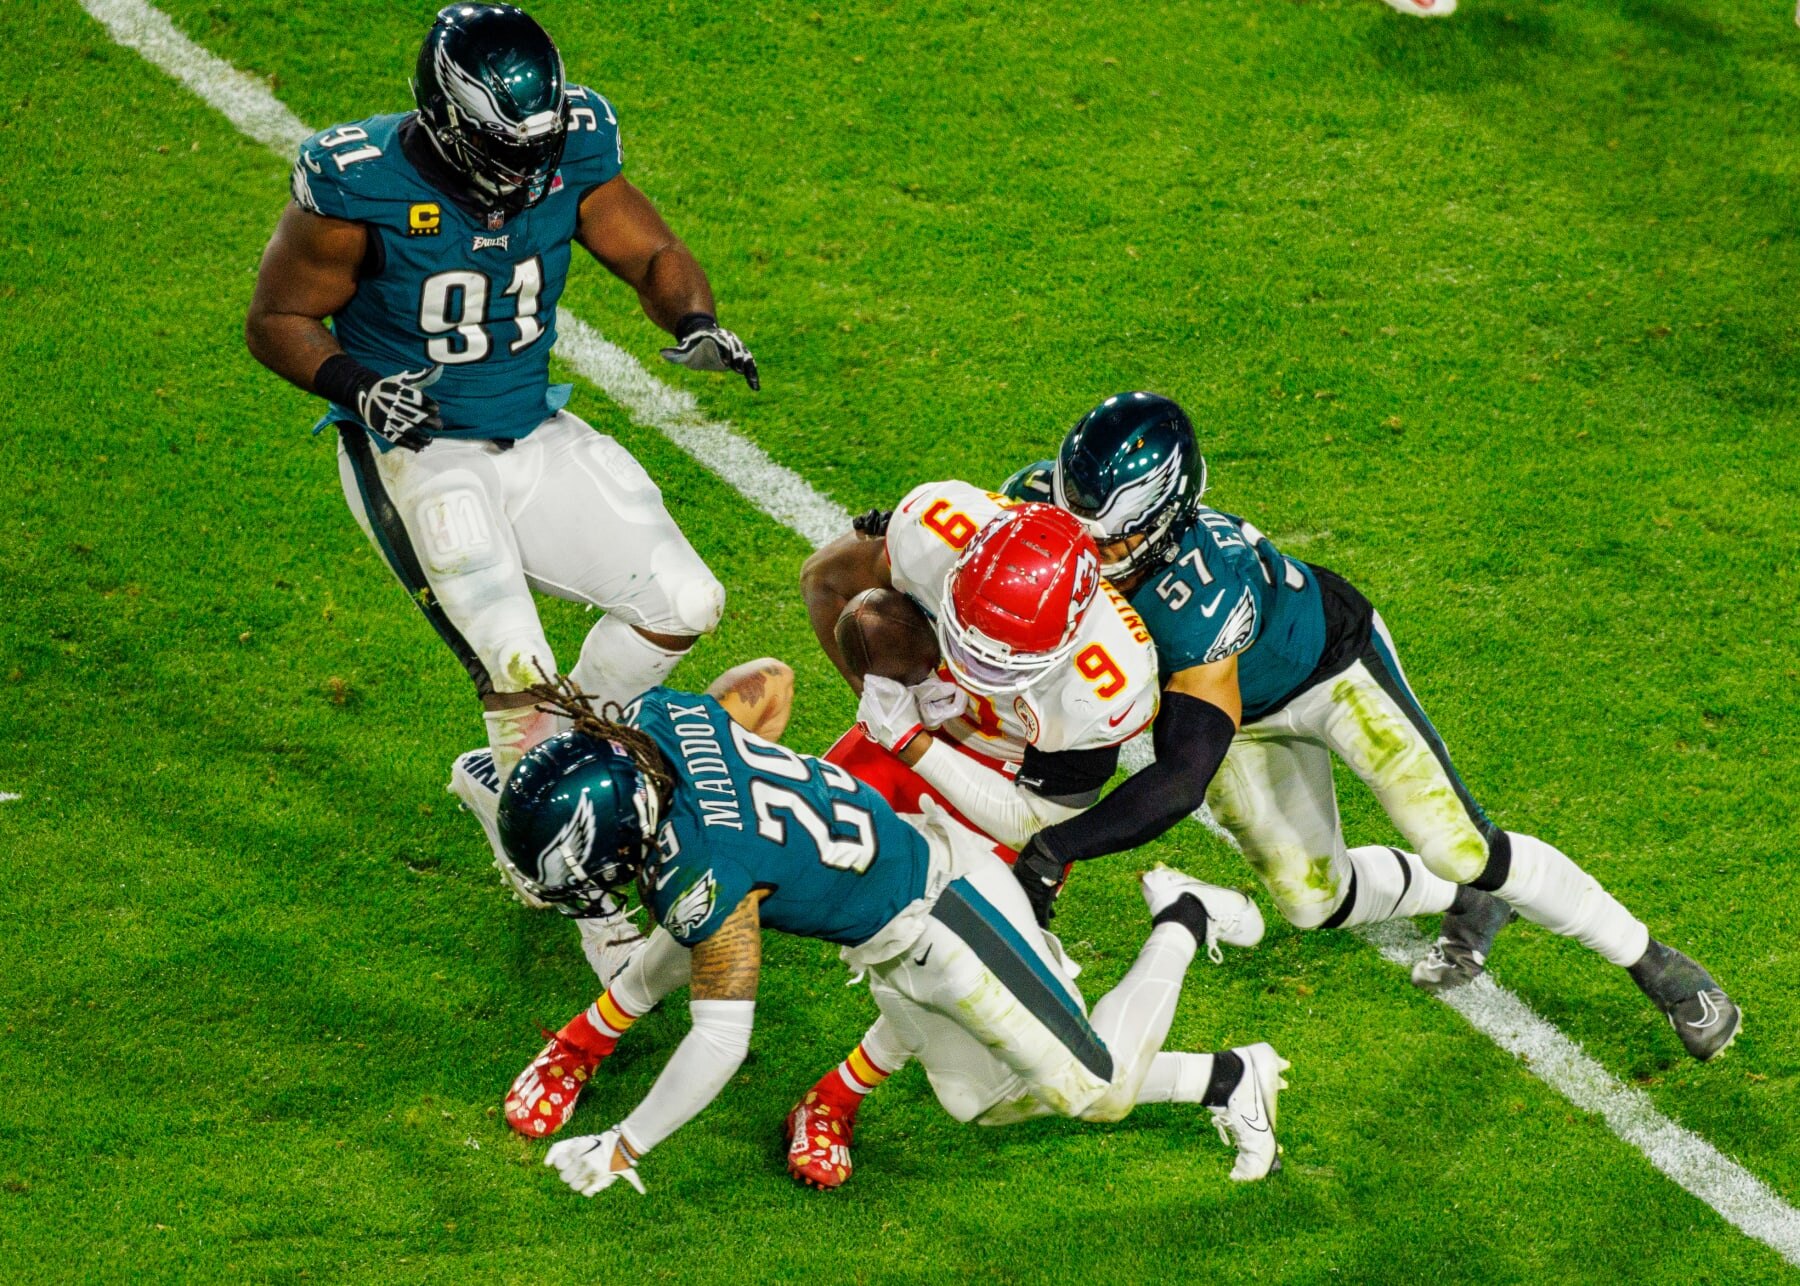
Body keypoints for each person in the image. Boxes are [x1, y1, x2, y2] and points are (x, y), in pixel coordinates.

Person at [243, 5, 757, 975]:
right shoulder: (357, 182)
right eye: (498, 145)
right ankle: (575, 881)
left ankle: (534, 776)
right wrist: (358, 386)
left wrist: (692, 316)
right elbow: (276, 316)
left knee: (684, 602)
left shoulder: (571, 144)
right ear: (442, 120)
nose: (525, 168)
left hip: (530, 427)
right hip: (421, 451)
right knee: (514, 660)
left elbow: (647, 251)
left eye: (538, 142)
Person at [1003, 393, 1739, 1062]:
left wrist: (1055, 849)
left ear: (1162, 526)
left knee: (1461, 844)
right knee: (1311, 901)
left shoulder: (1199, 596)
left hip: (1329, 668)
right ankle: (1468, 905)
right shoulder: (1036, 505)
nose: (1079, 558)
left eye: (1105, 545)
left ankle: (1658, 964)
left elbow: (1183, 774)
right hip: (1241, 713)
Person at [494, 673, 1292, 1197]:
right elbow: (768, 683)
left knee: (1094, 1088)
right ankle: (1230, 1079)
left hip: (951, 918)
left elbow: (720, 1042)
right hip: (904, 904)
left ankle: (1184, 914)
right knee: (976, 1098)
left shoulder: (709, 866)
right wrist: (763, 805)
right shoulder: (659, 719)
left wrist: (624, 1149)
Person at [784, 491, 1264, 1187]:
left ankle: (833, 1097)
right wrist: (880, 688)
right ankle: (821, 1091)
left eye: (1003, 659)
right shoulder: (936, 530)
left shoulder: (1105, 680)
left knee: (931, 975)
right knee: (790, 868)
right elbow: (827, 580)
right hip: (915, 730)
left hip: (1002, 791)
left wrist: (915, 742)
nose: (980, 666)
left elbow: (1033, 821)